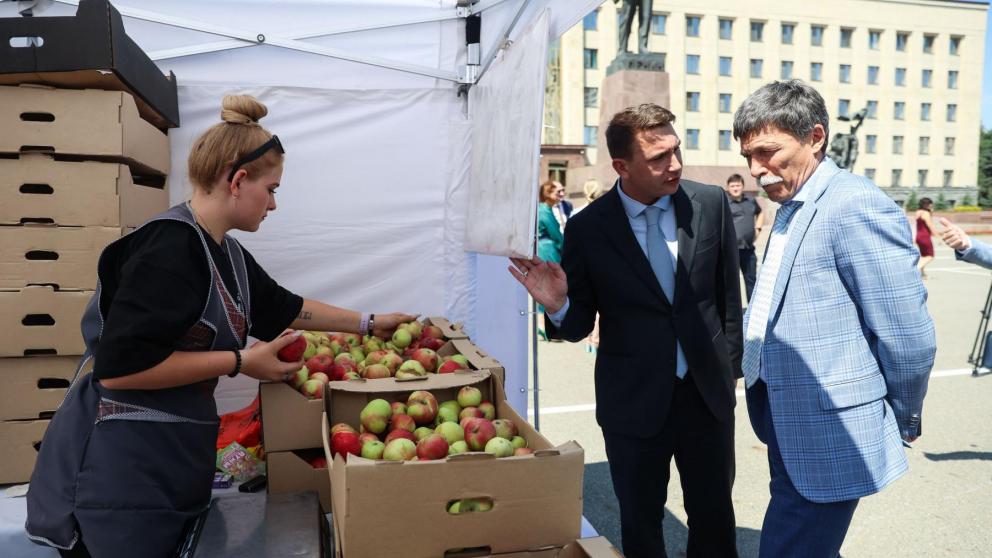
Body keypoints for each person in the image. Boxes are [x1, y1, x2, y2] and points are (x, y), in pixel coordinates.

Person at [25, 95, 416, 558]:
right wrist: (240, 362)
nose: (273, 204)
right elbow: (119, 370)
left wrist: (369, 324)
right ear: (238, 181)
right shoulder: (169, 251)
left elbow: (282, 306)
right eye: (271, 189)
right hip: (119, 477)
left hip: (171, 463)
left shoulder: (225, 252)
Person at [510, 103, 742, 557]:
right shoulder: (588, 230)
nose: (674, 165)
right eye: (658, 158)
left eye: (676, 150)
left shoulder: (709, 203)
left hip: (706, 399)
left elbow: (727, 298)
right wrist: (558, 306)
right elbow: (577, 326)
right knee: (640, 523)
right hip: (632, 405)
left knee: (714, 519)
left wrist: (728, 373)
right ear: (621, 166)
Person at [732, 80, 935, 558]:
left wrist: (901, 414)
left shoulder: (853, 204)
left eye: (767, 152)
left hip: (830, 427)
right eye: (747, 157)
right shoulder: (794, 202)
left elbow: (908, 337)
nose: (756, 170)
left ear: (815, 137)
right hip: (785, 414)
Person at [725, 173, 764, 302]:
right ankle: (733, 314)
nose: (735, 188)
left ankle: (752, 313)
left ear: (743, 186)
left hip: (748, 250)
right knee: (730, 284)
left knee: (751, 281)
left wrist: (758, 229)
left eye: (738, 185)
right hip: (730, 252)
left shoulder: (751, 201)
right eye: (732, 186)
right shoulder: (724, 203)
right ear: (728, 187)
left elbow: (760, 213)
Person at [915, 197, 936, 278]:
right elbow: (930, 225)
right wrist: (938, 236)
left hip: (919, 236)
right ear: (926, 204)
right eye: (929, 204)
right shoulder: (926, 213)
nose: (931, 205)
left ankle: (923, 274)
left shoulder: (918, 212)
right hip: (925, 236)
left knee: (924, 255)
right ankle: (916, 269)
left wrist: (931, 213)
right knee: (930, 256)